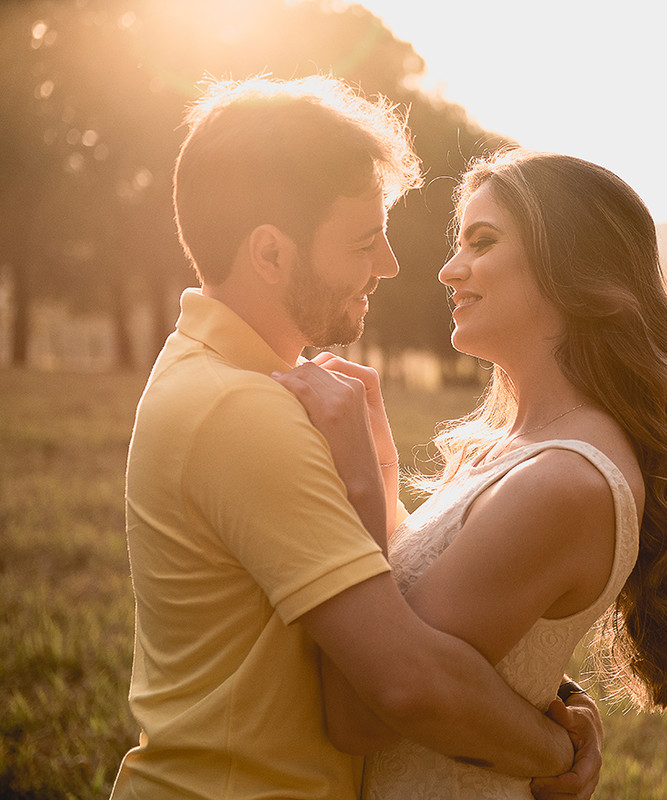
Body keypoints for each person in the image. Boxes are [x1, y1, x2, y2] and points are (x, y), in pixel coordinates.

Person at [111, 76, 600, 800]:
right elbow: (401, 684)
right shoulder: (242, 411)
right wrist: (556, 751)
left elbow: (388, 608)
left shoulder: (217, 373)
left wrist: (376, 476)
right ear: (271, 255)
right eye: (365, 242)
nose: (390, 266)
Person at [277, 149, 667, 798]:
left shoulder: (565, 482)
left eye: (481, 242)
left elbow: (363, 711)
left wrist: (359, 484)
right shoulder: (510, 447)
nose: (448, 270)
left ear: (571, 265)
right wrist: (378, 460)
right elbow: (438, 619)